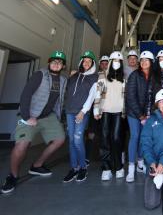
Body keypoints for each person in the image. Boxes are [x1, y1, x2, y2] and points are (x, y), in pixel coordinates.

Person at [1, 51, 67, 194]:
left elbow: (59, 101)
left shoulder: (63, 80)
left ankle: (37, 165)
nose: (56, 64)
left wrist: (59, 117)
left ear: (63, 66)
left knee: (60, 139)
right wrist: (26, 116)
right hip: (29, 115)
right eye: (54, 61)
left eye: (59, 62)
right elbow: (26, 94)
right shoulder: (40, 75)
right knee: (22, 145)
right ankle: (12, 176)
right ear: (49, 63)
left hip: (48, 116)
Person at [63, 51, 98, 183]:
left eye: (89, 61)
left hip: (81, 112)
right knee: (71, 140)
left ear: (93, 64)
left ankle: (83, 167)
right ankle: (74, 168)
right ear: (81, 62)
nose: (86, 63)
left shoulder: (94, 78)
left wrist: (83, 111)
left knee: (78, 140)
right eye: (85, 61)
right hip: (69, 112)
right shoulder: (74, 75)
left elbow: (92, 97)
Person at [93, 51, 126, 181]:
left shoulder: (124, 78)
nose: (116, 64)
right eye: (114, 61)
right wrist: (96, 109)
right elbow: (98, 93)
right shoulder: (103, 75)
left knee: (117, 139)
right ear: (111, 62)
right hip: (105, 111)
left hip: (118, 112)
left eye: (119, 61)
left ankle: (118, 166)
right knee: (105, 139)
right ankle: (106, 168)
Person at [125, 51, 154, 182]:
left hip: (147, 113)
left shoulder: (154, 76)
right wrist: (141, 116)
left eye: (146, 60)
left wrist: (148, 114)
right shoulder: (134, 75)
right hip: (134, 113)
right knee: (135, 136)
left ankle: (140, 164)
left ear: (151, 62)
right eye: (142, 60)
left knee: (144, 138)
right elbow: (130, 97)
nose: (143, 62)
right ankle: (131, 167)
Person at [85, 55, 109, 165]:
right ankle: (86, 156)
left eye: (106, 63)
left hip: (107, 109)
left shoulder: (113, 76)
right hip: (95, 108)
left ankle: (104, 156)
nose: (104, 65)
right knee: (91, 133)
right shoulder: (95, 76)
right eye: (102, 63)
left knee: (105, 133)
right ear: (100, 64)